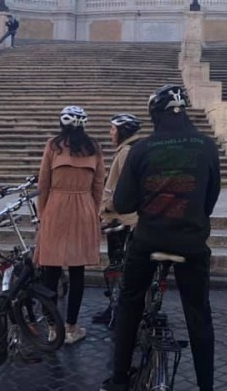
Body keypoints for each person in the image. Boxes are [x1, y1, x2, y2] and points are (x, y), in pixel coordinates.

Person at [101, 84, 221, 391]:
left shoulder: (141, 148)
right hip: (191, 242)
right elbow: (211, 197)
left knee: (130, 302)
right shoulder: (206, 145)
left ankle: (118, 379)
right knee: (198, 313)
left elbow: (125, 204)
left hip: (149, 240)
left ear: (155, 114)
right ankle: (206, 385)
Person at [35, 105, 105, 345]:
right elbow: (99, 184)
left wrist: (42, 213)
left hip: (55, 206)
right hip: (83, 206)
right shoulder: (93, 147)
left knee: (50, 273)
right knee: (77, 273)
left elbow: (43, 183)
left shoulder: (53, 145)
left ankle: (53, 327)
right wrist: (93, 211)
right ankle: (72, 327)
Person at [93, 113, 142, 326]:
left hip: (120, 219)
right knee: (119, 266)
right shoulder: (133, 149)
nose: (111, 133)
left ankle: (116, 310)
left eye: (113, 129)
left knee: (116, 266)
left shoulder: (126, 152)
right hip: (126, 217)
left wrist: (106, 207)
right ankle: (116, 308)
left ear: (122, 131)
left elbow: (123, 188)